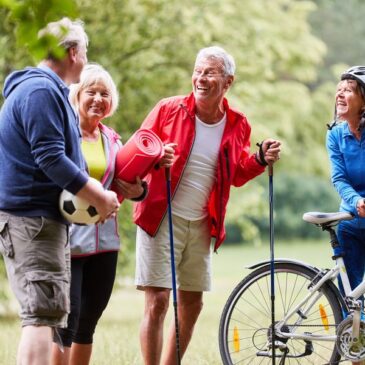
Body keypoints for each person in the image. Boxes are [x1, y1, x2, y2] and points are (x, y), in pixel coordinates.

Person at [133, 46, 281, 365]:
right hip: (161, 217)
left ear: (227, 82)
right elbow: (136, 151)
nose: (200, 77)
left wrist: (258, 158)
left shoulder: (238, 124)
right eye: (198, 70)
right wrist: (158, 158)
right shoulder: (168, 109)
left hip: (202, 223)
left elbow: (236, 173)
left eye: (209, 72)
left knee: (192, 304)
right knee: (158, 300)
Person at [0, 19, 120, 365]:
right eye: (84, 53)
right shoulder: (41, 92)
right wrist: (99, 195)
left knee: (42, 315)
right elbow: (51, 157)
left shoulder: (42, 90)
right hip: (33, 222)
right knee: (41, 316)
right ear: (72, 52)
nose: (84, 61)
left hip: (34, 221)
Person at [51, 63, 147, 365]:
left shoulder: (113, 140)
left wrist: (139, 191)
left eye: (104, 94)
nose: (97, 98)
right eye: (90, 91)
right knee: (67, 320)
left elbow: (132, 184)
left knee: (88, 322)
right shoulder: (63, 135)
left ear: (111, 102)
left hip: (105, 244)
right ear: (77, 95)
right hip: (69, 243)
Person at [326, 66, 365, 365]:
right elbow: (339, 178)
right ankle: (356, 357)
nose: (340, 93)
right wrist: (356, 200)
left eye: (349, 89)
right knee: (352, 303)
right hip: (350, 222)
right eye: (339, 88)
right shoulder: (336, 135)